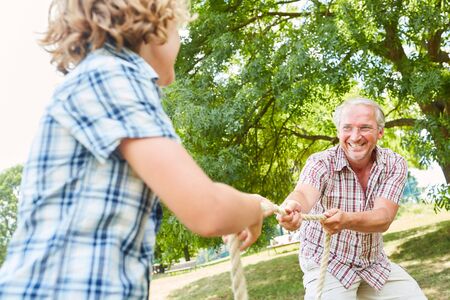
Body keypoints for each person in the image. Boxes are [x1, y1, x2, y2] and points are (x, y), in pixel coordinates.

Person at [0, 0, 274, 298]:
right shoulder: (111, 75)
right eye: (179, 29)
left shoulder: (112, 77)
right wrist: (251, 209)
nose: (180, 41)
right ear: (155, 23)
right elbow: (208, 210)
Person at [277, 97, 426, 299]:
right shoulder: (321, 162)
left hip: (373, 263)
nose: (355, 137)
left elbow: (384, 217)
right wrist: (294, 206)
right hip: (329, 263)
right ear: (338, 131)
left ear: (380, 132)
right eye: (347, 128)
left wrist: (346, 220)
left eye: (365, 128)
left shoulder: (394, 164)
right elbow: (303, 193)